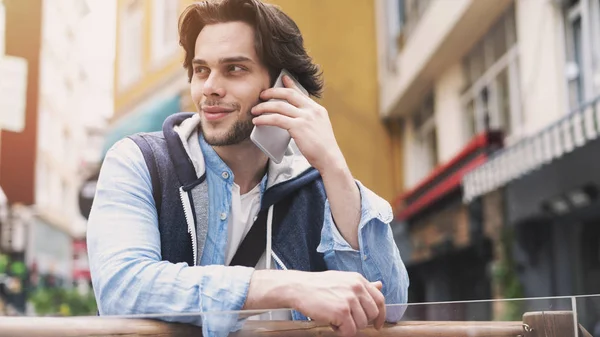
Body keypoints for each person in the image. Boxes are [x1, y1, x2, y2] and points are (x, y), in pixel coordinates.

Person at [86, 0, 409, 336]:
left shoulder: (318, 187)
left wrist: (333, 165)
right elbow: (122, 289)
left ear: (285, 87)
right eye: (201, 70)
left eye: (234, 69)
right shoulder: (139, 162)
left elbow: (389, 305)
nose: (209, 87)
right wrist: (288, 287)